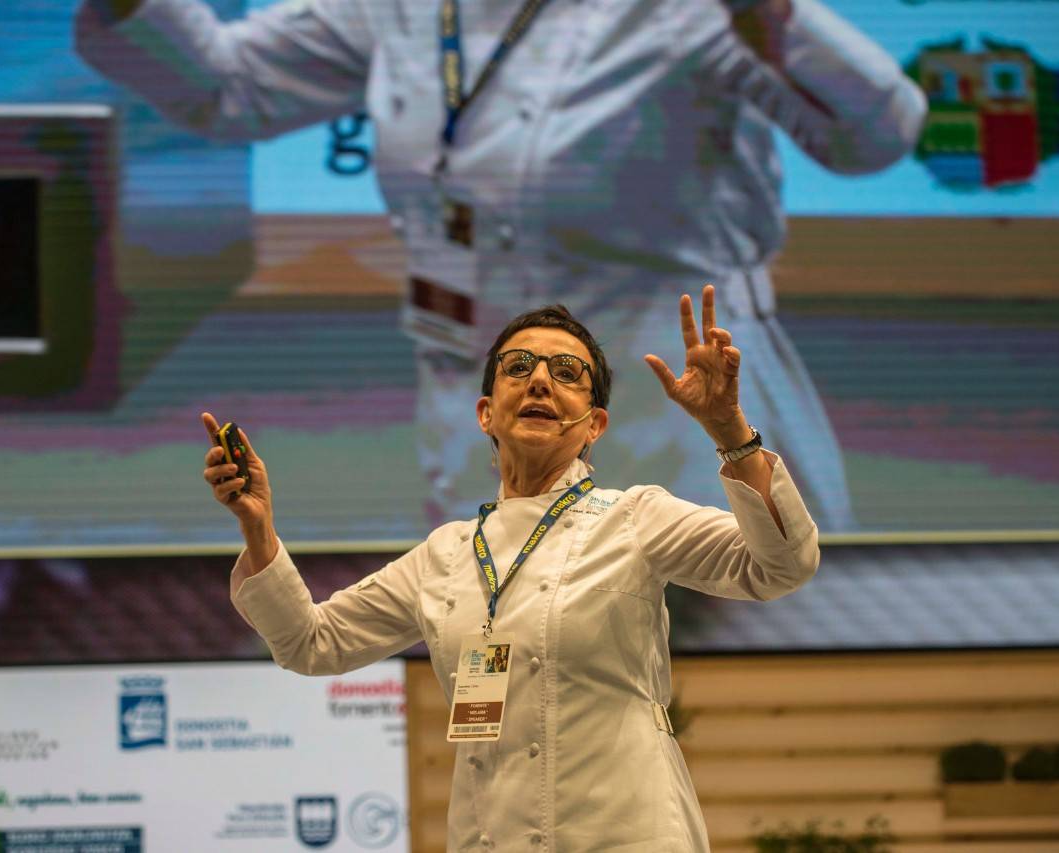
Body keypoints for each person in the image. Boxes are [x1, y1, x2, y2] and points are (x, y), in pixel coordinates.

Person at [76, 0, 926, 533]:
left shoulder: (684, 9)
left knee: (705, 683)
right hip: (483, 402)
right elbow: (227, 89)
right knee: (509, 692)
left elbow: (874, 134)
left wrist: (774, 21)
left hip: (668, 401)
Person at [202, 289, 819, 850]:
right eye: (518, 368)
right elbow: (310, 643)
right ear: (485, 414)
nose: (540, 382)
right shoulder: (445, 554)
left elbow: (781, 566)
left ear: (594, 425)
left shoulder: (636, 517)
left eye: (568, 373)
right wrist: (257, 527)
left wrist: (728, 429)